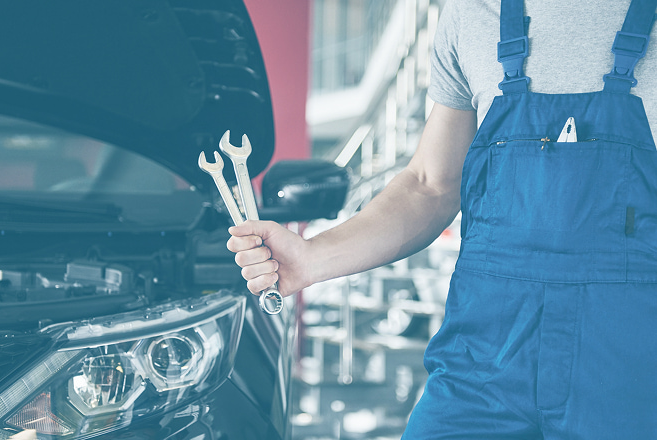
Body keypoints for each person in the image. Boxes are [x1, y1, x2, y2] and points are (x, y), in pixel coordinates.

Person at [228, 0, 657, 438]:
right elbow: (430, 186)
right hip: (483, 365)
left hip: (630, 369)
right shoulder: (473, 12)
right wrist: (312, 257)